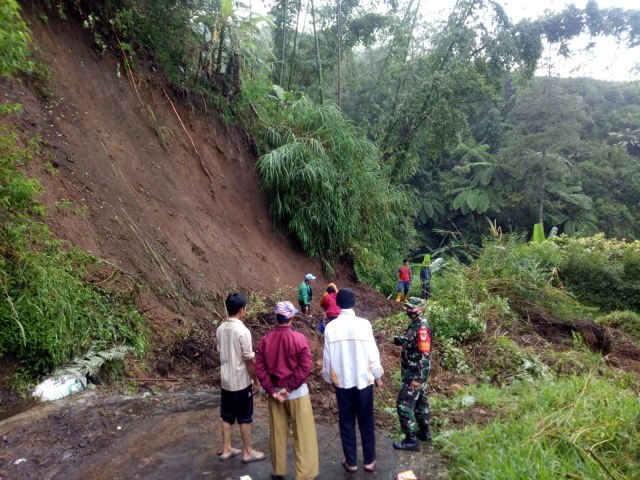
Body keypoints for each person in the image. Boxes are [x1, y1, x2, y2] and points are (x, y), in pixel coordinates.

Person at [255, 301, 319, 480]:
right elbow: (305, 368)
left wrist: (273, 390)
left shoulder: (266, 340)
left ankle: (279, 470)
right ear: (291, 317)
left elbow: (260, 368)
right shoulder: (299, 339)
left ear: (276, 317)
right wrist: (289, 388)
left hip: (275, 394)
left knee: (277, 433)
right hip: (297, 393)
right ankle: (305, 474)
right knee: (304, 434)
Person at [322, 288, 384, 473]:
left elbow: (327, 358)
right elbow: (373, 354)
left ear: (338, 304)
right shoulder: (364, 325)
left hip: (342, 383)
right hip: (364, 381)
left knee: (346, 421)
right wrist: (378, 375)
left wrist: (327, 377)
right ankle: (369, 461)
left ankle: (351, 462)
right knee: (366, 420)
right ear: (354, 302)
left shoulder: (331, 327)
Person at [216, 292, 266, 464]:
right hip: (241, 382)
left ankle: (227, 449)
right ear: (242, 309)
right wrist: (257, 381)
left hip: (226, 381)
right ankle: (247, 452)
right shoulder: (242, 331)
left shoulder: (220, 329)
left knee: (226, 416)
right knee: (245, 417)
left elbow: (221, 351)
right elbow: (249, 361)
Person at [392, 297, 432, 452]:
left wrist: (418, 378)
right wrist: (400, 340)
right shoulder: (415, 325)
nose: (409, 311)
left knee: (403, 405)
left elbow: (425, 355)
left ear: (420, 309)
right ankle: (424, 433)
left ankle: (411, 440)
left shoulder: (421, 328)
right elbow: (411, 342)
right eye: (408, 308)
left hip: (414, 374)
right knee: (421, 404)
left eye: (412, 308)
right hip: (413, 372)